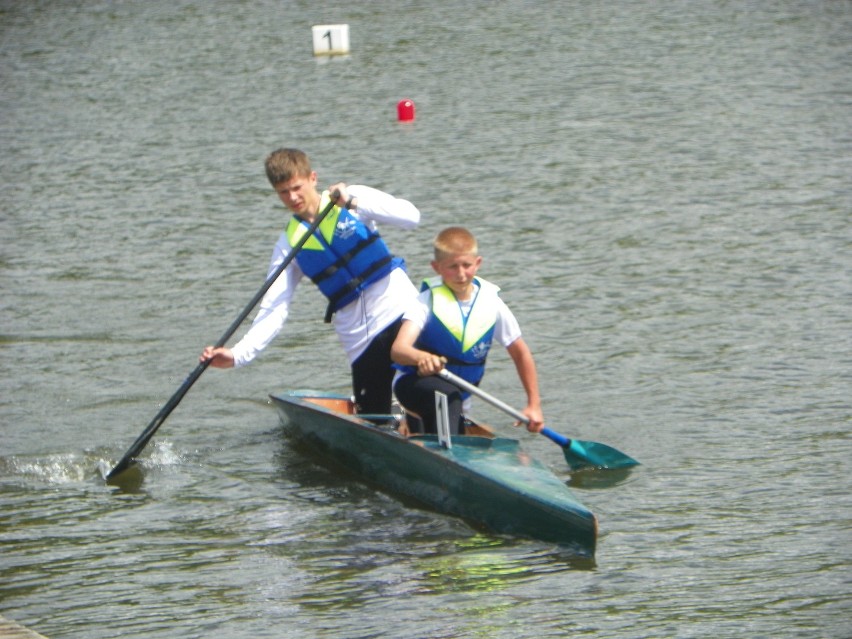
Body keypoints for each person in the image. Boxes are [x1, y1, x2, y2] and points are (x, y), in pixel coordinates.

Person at [201, 148, 420, 416]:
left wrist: (352, 202)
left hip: (401, 310)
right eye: (283, 192)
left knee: (423, 390)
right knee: (374, 416)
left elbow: (411, 217)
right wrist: (237, 355)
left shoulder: (352, 199)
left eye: (296, 187)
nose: (292, 197)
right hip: (359, 337)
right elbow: (274, 309)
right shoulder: (288, 246)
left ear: (312, 178)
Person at [390, 226, 544, 436]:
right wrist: (422, 357)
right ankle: (437, 445)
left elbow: (521, 353)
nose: (461, 274)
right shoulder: (425, 302)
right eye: (452, 267)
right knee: (447, 395)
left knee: (450, 401)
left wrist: (533, 405)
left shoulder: (493, 304)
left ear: (477, 263)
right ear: (437, 267)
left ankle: (433, 433)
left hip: (459, 396)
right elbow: (399, 349)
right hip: (413, 385)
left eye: (466, 265)